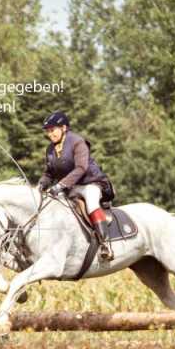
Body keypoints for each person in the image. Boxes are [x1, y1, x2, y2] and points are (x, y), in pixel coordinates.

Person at [38, 110, 114, 261]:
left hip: (92, 183)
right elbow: (49, 173)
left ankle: (106, 244)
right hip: (71, 188)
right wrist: (40, 186)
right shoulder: (50, 149)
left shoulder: (78, 142)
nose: (50, 134)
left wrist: (60, 186)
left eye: (53, 130)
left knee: (91, 204)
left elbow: (81, 168)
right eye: (48, 131)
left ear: (64, 128)